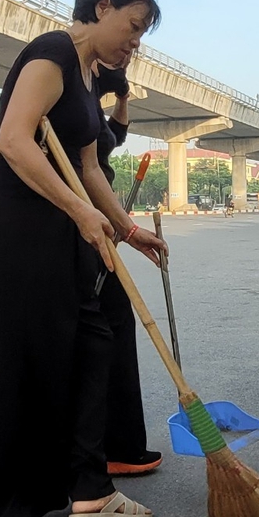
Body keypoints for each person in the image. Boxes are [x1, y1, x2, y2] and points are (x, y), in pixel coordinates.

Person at [0, 0, 168, 517]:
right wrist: (79, 212)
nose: (135, 41)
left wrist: (126, 229)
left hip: (71, 234)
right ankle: (4, 507)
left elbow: (90, 170)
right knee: (23, 361)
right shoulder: (51, 54)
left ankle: (88, 488)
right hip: (21, 232)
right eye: (133, 27)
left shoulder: (88, 77)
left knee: (91, 348)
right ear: (103, 6)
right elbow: (11, 142)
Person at [91, 61, 161, 478]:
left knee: (116, 325)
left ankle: (121, 444)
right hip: (80, 230)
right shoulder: (65, 91)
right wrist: (119, 223)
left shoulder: (92, 115)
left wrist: (122, 100)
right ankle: (102, 446)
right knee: (99, 333)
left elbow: (114, 134)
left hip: (102, 227)